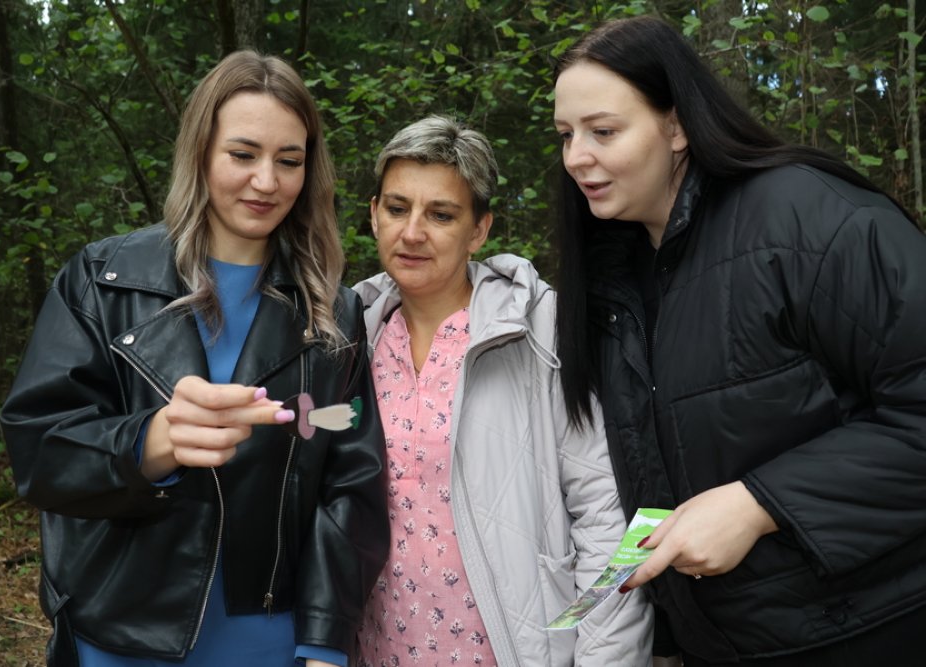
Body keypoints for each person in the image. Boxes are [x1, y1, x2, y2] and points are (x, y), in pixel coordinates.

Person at [551, 14, 926, 667]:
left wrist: (758, 504)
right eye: (565, 135)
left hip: (872, 628)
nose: (576, 156)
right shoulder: (614, 279)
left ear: (676, 126)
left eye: (603, 131)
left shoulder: (810, 221)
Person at [0, 51, 389, 667]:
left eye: (289, 161)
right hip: (120, 632)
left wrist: (324, 640)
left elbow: (348, 480)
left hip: (268, 639)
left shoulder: (333, 314)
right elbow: (39, 450)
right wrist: (150, 443)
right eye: (243, 154)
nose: (267, 181)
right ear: (200, 153)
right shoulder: (103, 280)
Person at [351, 115, 652, 667]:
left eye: (441, 214)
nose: (412, 232)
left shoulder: (542, 331)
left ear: (479, 230)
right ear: (373, 214)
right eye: (397, 208)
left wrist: (604, 659)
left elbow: (609, 520)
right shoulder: (350, 338)